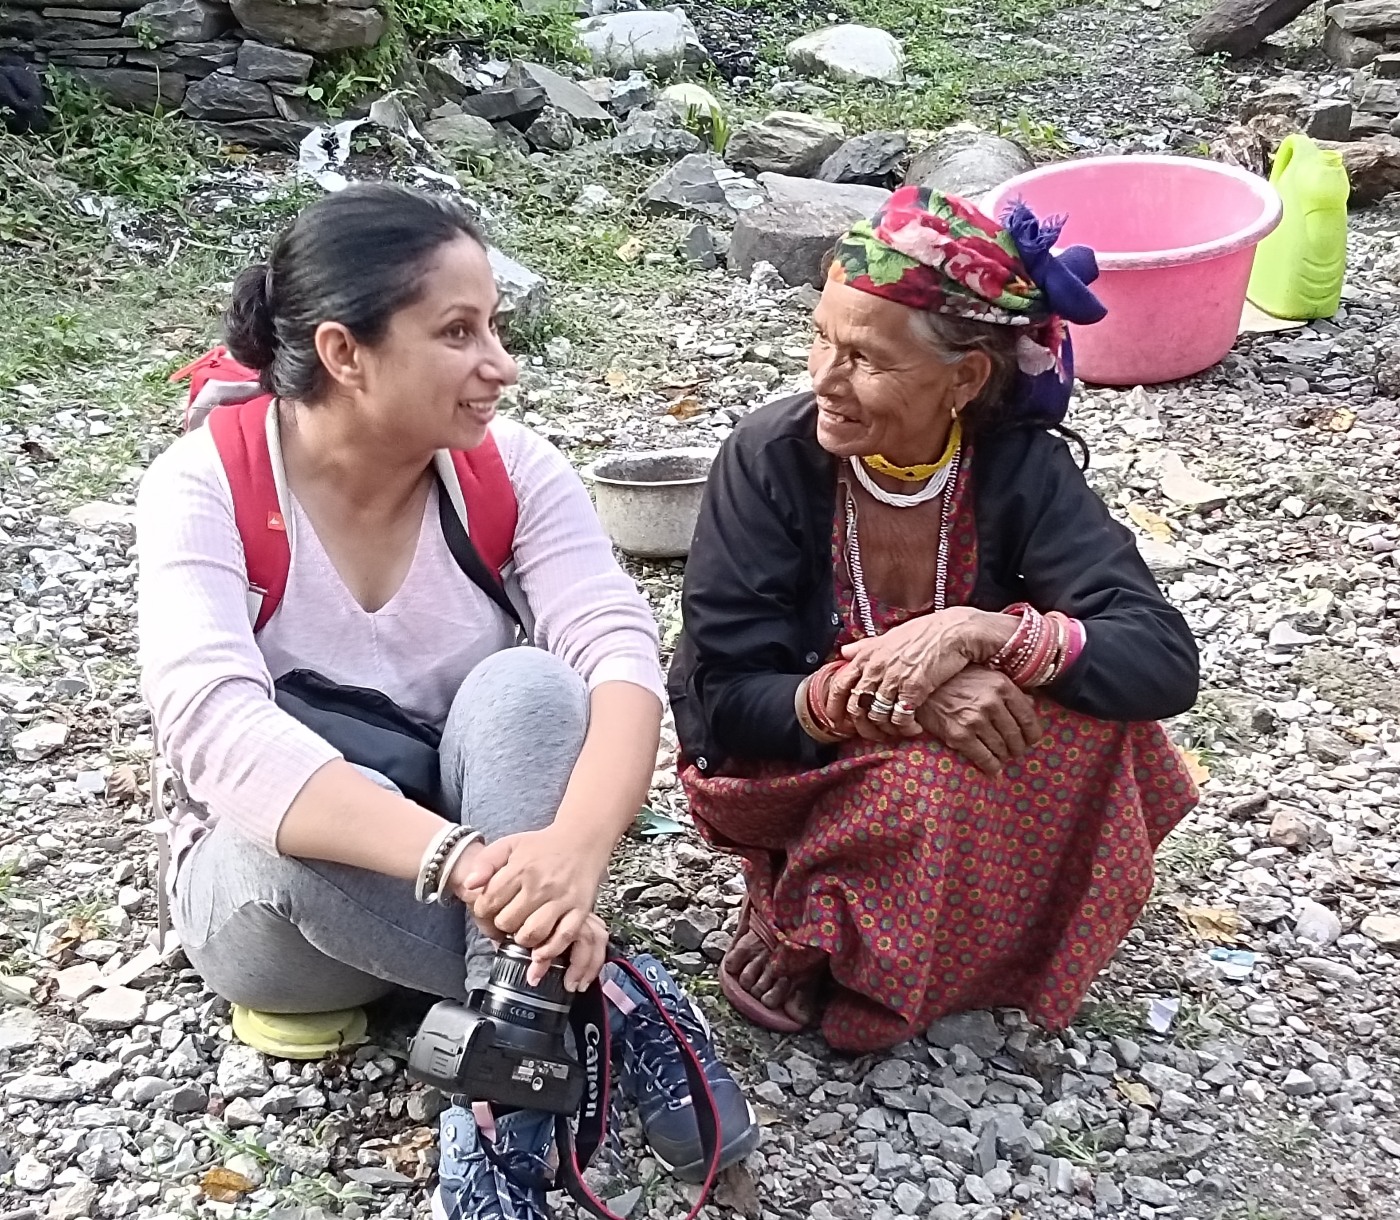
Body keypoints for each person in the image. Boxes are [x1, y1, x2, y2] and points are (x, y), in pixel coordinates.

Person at [137, 183, 755, 1220]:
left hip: (482, 873)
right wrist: (471, 865)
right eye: (458, 331)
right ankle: (609, 995)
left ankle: (500, 1096)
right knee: (284, 819)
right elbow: (218, 733)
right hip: (282, 909)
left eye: (495, 326)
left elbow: (618, 654)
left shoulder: (505, 470)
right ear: (344, 352)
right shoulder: (209, 486)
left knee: (528, 682)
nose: (499, 364)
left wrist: (574, 854)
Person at [669, 186, 1200, 1054]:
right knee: (928, 778)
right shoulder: (772, 458)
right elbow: (721, 699)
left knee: (1106, 727)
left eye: (866, 360)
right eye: (821, 339)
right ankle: (801, 910)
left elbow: (1163, 661)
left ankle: (981, 944)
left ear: (965, 378)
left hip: (951, 754)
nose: (825, 381)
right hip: (797, 757)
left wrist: (980, 635)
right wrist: (902, 699)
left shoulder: (1020, 469)